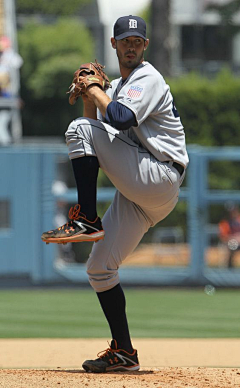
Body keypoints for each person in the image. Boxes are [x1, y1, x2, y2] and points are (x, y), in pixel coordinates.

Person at [41, 15, 189, 372]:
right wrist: (87, 96)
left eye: (138, 40)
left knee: (77, 129)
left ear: (145, 45)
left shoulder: (147, 77)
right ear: (114, 44)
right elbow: (99, 128)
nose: (132, 45)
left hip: (158, 174)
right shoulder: (121, 89)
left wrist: (94, 89)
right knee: (99, 267)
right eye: (126, 40)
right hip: (144, 192)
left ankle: (87, 219)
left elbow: (120, 120)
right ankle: (124, 352)